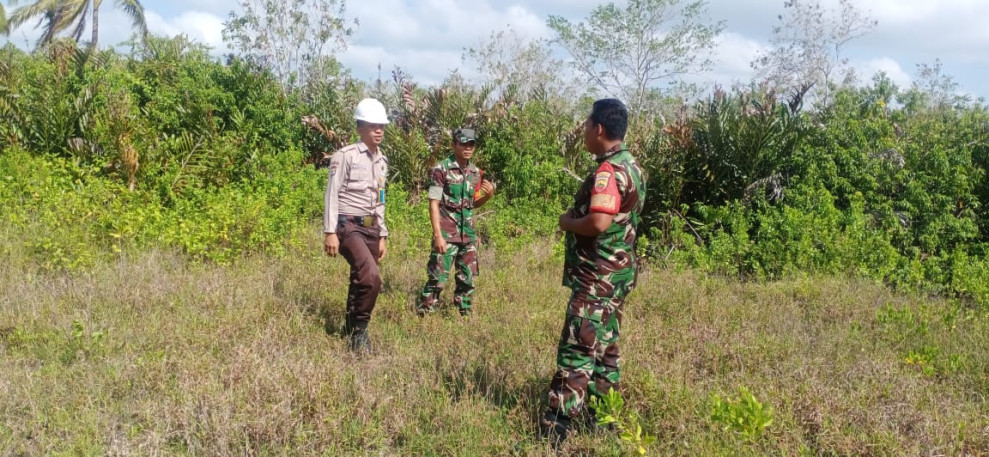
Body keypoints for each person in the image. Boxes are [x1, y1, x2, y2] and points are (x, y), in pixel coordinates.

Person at [540, 99, 646, 443]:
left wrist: (568, 222)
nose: (584, 131)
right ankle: (604, 420)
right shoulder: (632, 166)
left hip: (597, 277)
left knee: (577, 347)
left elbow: (599, 221)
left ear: (599, 129)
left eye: (586, 125)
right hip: (618, 276)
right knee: (605, 348)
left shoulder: (608, 172)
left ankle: (556, 428)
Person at [323, 98, 391, 355]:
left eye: (382, 126)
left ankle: (350, 326)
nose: (378, 130)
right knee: (371, 277)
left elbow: (381, 198)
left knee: (360, 278)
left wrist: (382, 234)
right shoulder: (346, 155)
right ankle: (360, 330)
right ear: (360, 127)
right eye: (373, 125)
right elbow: (332, 193)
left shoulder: (382, 160)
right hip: (348, 224)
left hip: (372, 227)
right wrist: (330, 231)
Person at [416, 128, 495, 318]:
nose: (468, 148)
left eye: (471, 144)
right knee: (437, 279)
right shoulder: (441, 170)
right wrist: (438, 236)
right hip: (446, 234)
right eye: (463, 143)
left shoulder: (475, 173)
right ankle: (424, 315)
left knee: (467, 279)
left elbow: (471, 204)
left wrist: (488, 195)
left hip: (467, 235)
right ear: (454, 145)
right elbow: (433, 203)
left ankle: (464, 315)